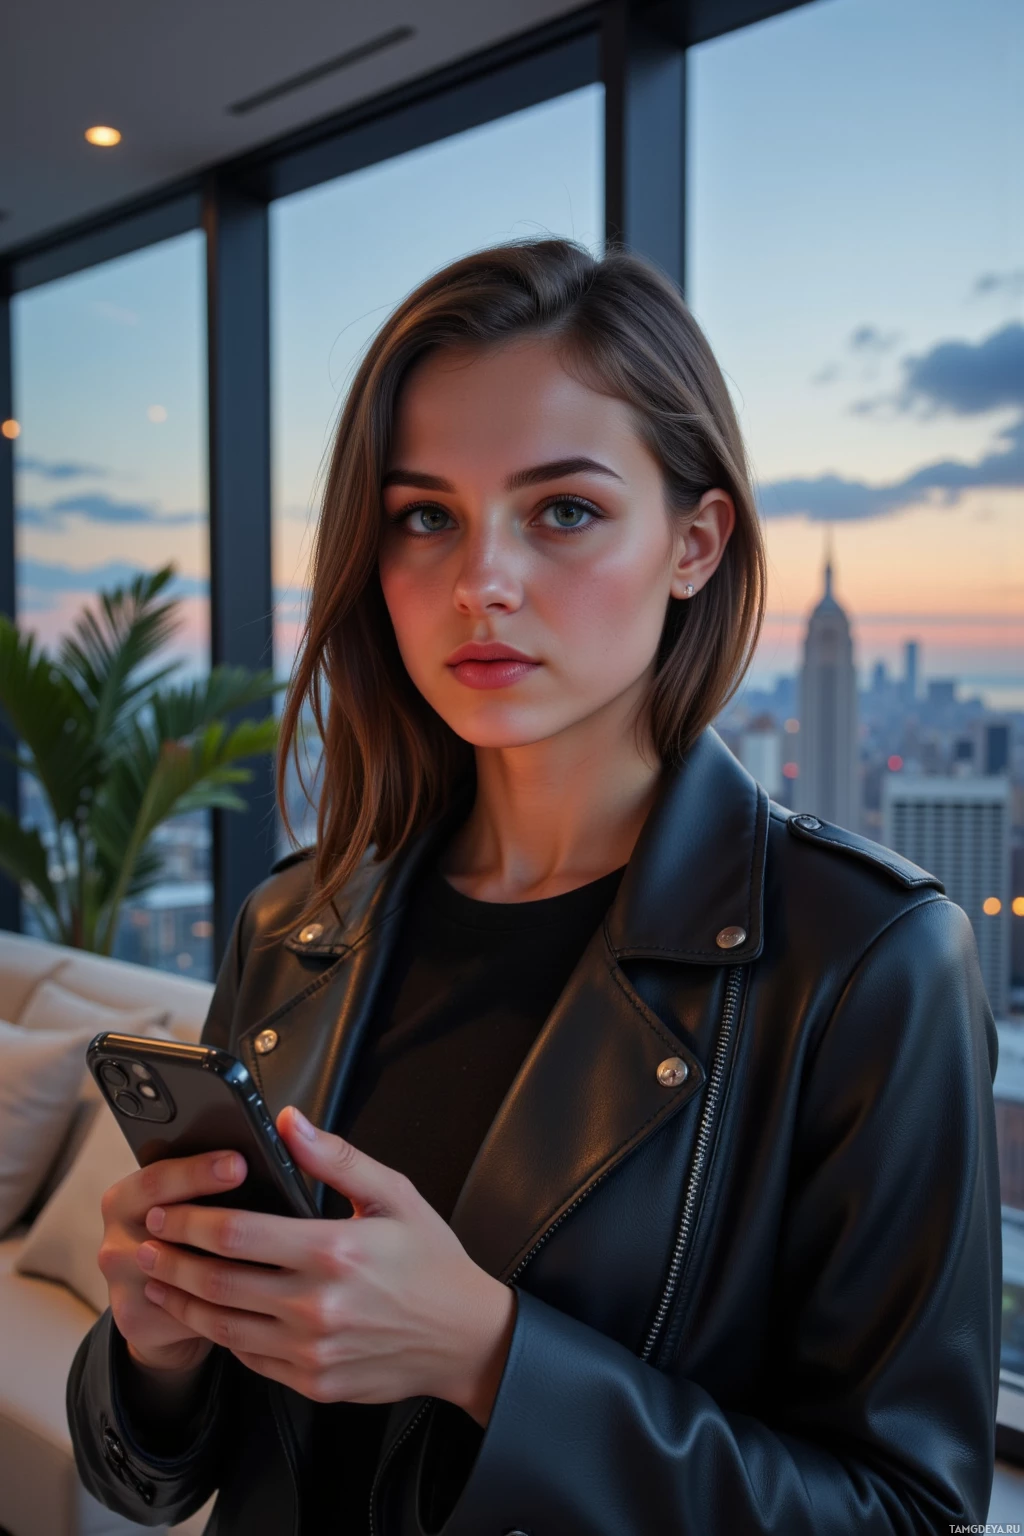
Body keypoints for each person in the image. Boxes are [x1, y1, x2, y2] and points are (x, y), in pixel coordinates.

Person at [68, 239, 1000, 1535]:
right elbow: (158, 1475)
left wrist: (494, 1358)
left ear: (695, 541)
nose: (480, 583)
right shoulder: (296, 921)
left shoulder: (865, 956)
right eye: (424, 516)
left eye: (563, 509)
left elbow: (907, 1512)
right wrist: (157, 1348)